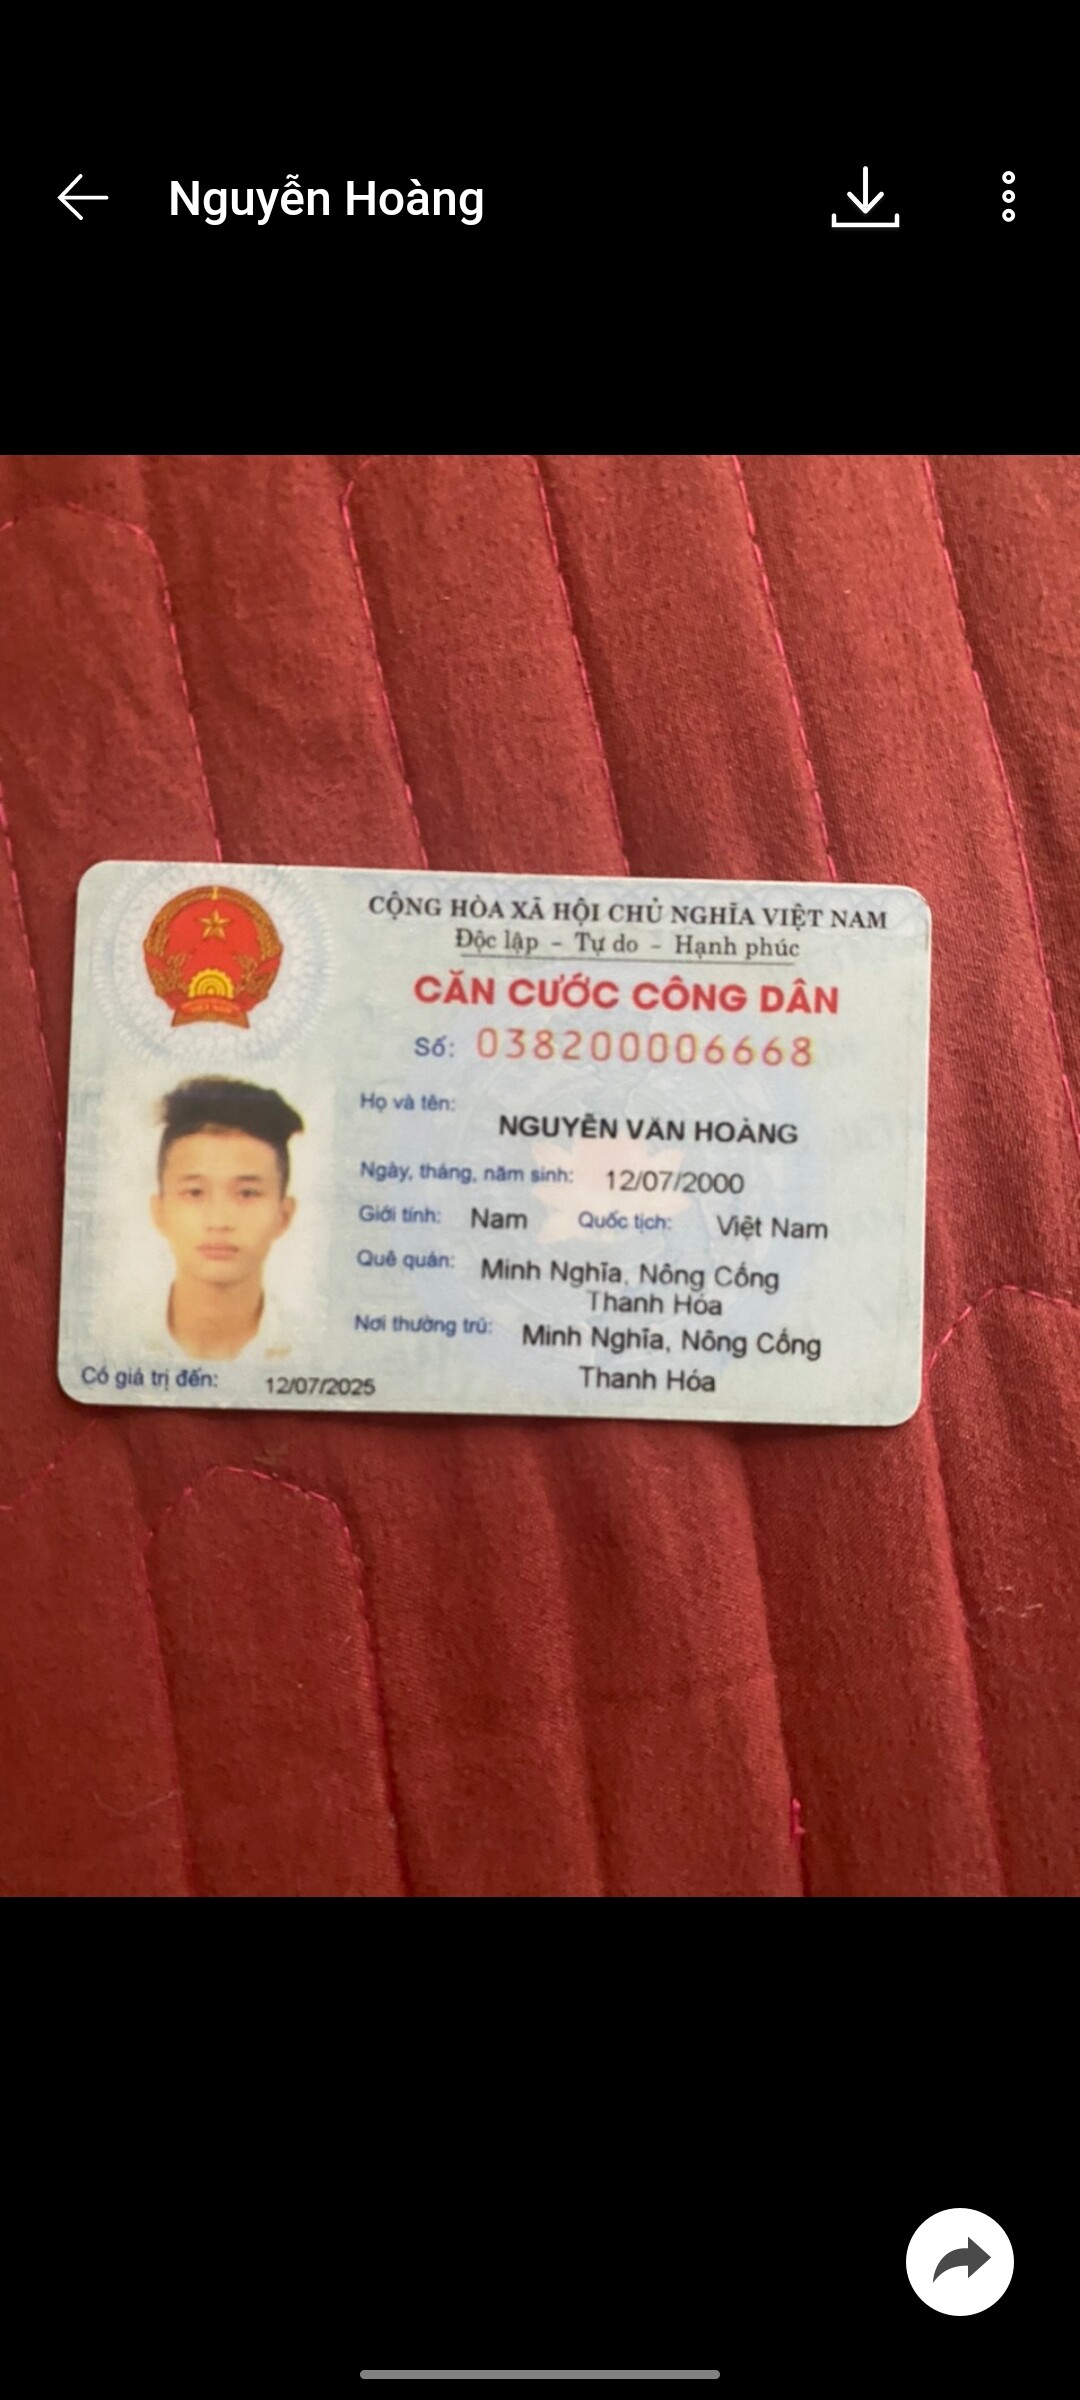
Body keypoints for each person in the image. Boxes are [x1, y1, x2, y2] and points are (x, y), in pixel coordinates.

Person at [144, 1076, 304, 1362]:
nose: (219, 1221)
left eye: (247, 1193)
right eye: (195, 1192)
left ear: (283, 1216)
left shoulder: (310, 1353)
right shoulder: (113, 1342)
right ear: (159, 1211)